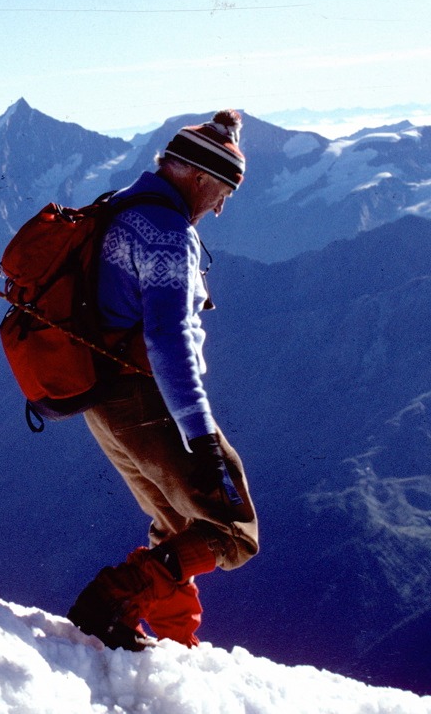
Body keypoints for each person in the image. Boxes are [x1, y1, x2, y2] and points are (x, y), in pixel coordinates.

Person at [67, 110, 260, 649]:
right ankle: (113, 596)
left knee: (177, 522)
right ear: (198, 176)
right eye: (223, 191)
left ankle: (177, 642)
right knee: (232, 528)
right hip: (147, 397)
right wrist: (200, 432)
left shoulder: (120, 206)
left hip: (102, 395)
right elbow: (168, 337)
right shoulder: (167, 233)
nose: (219, 207)